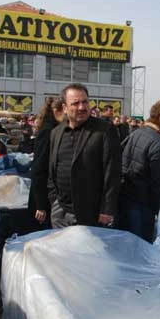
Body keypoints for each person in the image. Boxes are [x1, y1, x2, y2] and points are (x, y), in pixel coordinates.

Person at [48, 84, 121, 228]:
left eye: (85, 102)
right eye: (75, 103)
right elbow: (51, 169)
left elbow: (112, 173)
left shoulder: (104, 131)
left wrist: (107, 209)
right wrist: (53, 199)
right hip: (60, 211)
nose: (82, 107)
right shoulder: (56, 132)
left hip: (90, 213)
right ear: (65, 107)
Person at [119, 99, 160, 242]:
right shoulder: (159, 143)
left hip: (123, 200)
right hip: (142, 205)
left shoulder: (135, 134)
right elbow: (159, 183)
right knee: (140, 249)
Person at [28, 97, 63, 227]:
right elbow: (39, 168)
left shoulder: (56, 129)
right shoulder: (48, 132)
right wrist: (41, 204)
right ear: (56, 111)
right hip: (44, 197)